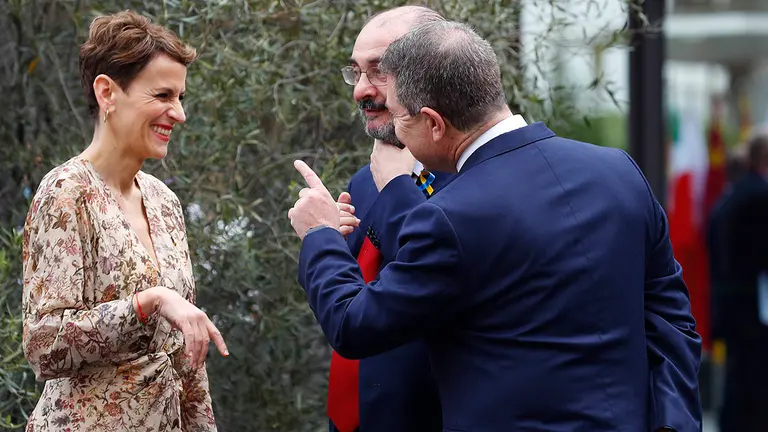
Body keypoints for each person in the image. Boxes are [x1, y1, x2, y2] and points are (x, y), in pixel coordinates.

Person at [288, 20, 702, 431]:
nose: (392, 128)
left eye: (400, 118)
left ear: (434, 122)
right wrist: (672, 423)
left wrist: (320, 235)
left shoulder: (451, 214)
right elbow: (670, 315)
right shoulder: (619, 171)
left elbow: (353, 324)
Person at [21, 11, 228, 431]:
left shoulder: (165, 202)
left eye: (181, 98)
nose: (179, 113)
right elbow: (43, 344)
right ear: (107, 93)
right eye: (163, 95)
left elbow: (184, 358)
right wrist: (147, 303)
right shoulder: (66, 192)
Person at [326, 6, 448, 432]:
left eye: (379, 70)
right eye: (355, 72)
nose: (361, 90)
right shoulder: (363, 181)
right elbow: (359, 303)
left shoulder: (478, 180)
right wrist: (328, 239)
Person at [708, 132, 768, 432]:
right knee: (755, 383)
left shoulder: (726, 200)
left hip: (727, 304)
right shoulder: (761, 196)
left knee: (736, 377)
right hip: (756, 308)